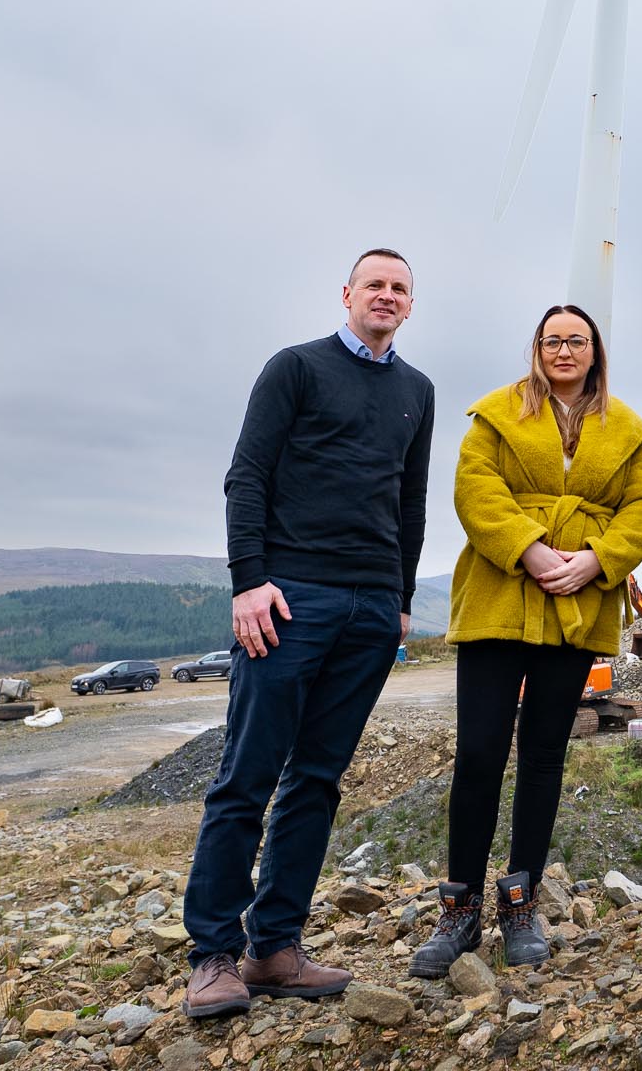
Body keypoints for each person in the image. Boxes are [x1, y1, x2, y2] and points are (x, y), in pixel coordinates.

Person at [184, 250, 433, 1019]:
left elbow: (411, 500)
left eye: (400, 288)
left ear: (410, 305)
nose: (386, 296)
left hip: (368, 612)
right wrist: (248, 581)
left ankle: (276, 948)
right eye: (375, 285)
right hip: (288, 599)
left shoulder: (417, 391)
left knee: (318, 779)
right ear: (348, 294)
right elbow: (247, 476)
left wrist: (397, 600)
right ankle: (213, 955)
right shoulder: (294, 368)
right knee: (246, 775)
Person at [410, 304, 642, 975]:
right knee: (480, 751)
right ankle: (459, 909)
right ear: (537, 348)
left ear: (594, 350)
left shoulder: (627, 430)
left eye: (575, 340)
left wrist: (598, 559)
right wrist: (526, 547)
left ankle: (519, 904)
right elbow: (475, 488)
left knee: (545, 752)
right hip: (499, 595)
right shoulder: (497, 413)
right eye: (552, 340)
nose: (563, 350)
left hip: (575, 605)